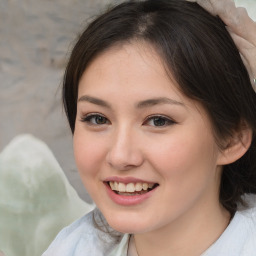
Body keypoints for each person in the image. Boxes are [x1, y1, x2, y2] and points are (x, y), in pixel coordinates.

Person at [42, 0, 256, 255]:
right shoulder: (72, 248)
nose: (120, 156)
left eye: (158, 121)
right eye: (98, 119)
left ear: (232, 137)